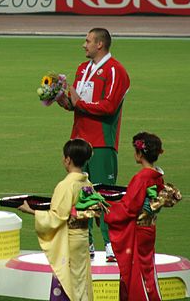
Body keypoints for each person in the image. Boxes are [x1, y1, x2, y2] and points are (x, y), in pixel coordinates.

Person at [57, 28, 130, 262]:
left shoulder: (116, 71)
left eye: (87, 41)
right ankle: (86, 242)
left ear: (100, 44)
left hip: (101, 143)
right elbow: (76, 104)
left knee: (104, 195)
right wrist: (61, 99)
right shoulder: (82, 69)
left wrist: (79, 103)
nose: (83, 44)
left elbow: (109, 106)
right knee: (80, 195)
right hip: (78, 141)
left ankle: (111, 244)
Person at [18, 139, 104, 301]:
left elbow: (57, 216)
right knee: (80, 280)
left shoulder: (66, 185)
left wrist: (32, 211)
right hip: (83, 237)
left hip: (70, 239)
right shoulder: (87, 184)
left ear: (68, 159)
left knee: (66, 280)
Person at [105, 132, 181, 301]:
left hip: (138, 231)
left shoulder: (141, 178)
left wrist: (107, 210)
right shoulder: (156, 176)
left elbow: (129, 208)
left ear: (140, 153)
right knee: (147, 268)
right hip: (149, 228)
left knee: (137, 272)